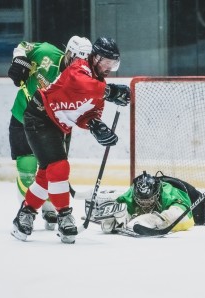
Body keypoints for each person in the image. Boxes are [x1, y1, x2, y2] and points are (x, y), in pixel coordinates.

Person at [11, 37, 131, 244]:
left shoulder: (99, 85)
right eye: (106, 62)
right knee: (59, 168)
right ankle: (64, 215)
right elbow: (81, 84)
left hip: (58, 126)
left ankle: (26, 213)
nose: (109, 68)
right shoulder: (79, 67)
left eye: (113, 64)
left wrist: (96, 126)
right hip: (38, 116)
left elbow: (89, 114)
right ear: (95, 57)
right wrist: (110, 92)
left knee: (46, 174)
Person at [7, 36, 92, 231]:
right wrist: (19, 61)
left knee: (50, 170)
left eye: (84, 61)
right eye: (76, 58)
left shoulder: (80, 79)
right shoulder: (46, 52)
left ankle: (49, 206)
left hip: (55, 128)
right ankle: (27, 212)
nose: (79, 64)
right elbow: (22, 46)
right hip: (22, 117)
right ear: (68, 53)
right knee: (27, 167)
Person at [98, 171, 195, 234]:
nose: (145, 204)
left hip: (193, 202)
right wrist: (116, 218)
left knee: (175, 214)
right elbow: (120, 203)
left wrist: (157, 220)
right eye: (141, 201)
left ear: (157, 194)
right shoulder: (130, 194)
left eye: (149, 199)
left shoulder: (168, 193)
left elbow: (185, 214)